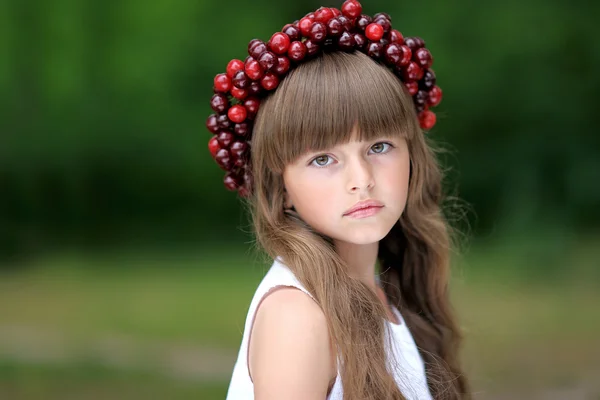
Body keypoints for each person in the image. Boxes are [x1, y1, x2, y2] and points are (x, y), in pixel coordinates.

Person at [206, 1, 470, 398]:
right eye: (323, 159)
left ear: (412, 156)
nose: (361, 180)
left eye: (379, 146)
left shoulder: (386, 294)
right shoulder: (297, 317)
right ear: (283, 190)